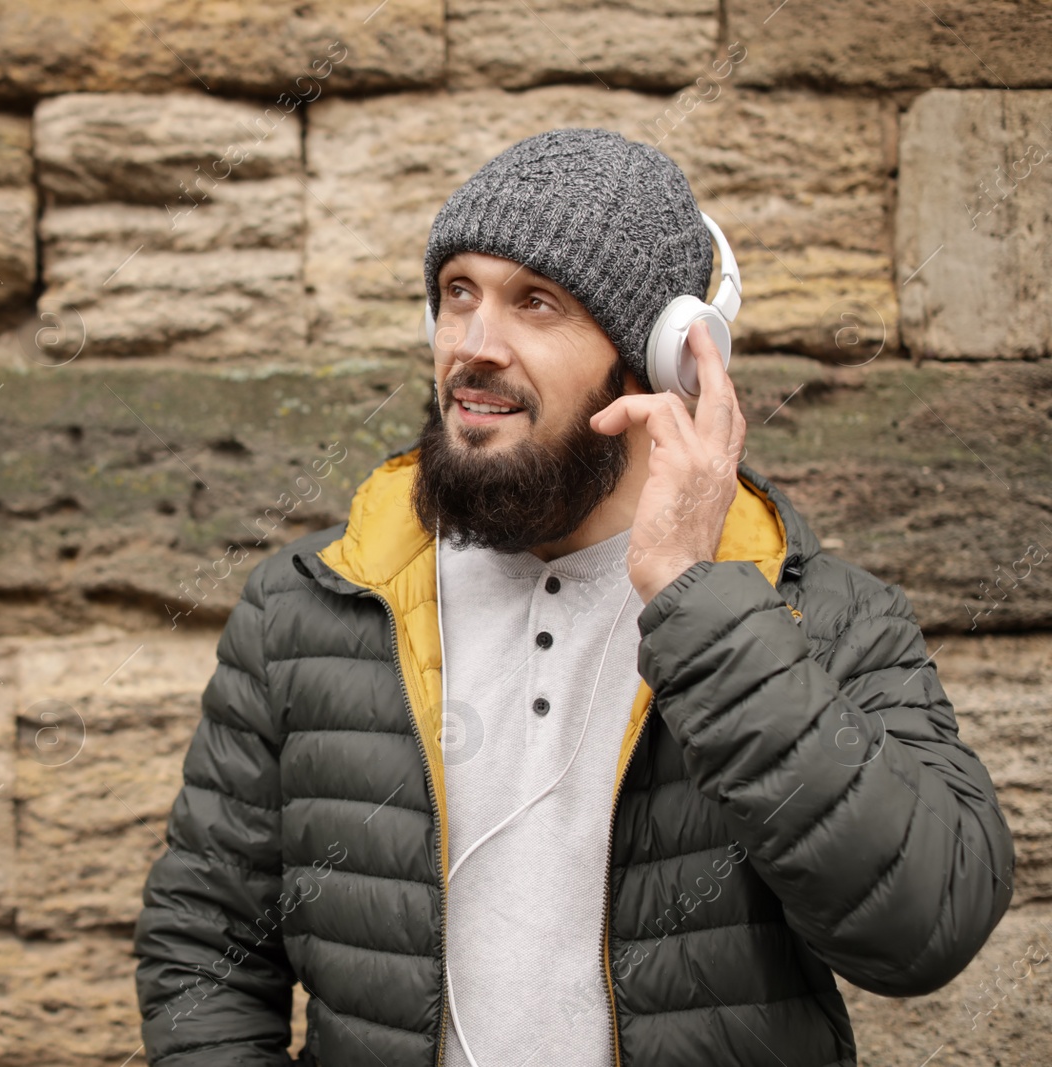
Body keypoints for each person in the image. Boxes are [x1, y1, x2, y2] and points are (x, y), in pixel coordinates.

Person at [133, 127, 1014, 1067]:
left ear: (664, 360)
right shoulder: (309, 609)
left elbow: (925, 923)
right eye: (457, 292)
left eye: (537, 302)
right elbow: (206, 947)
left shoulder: (817, 616)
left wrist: (694, 598)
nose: (475, 346)